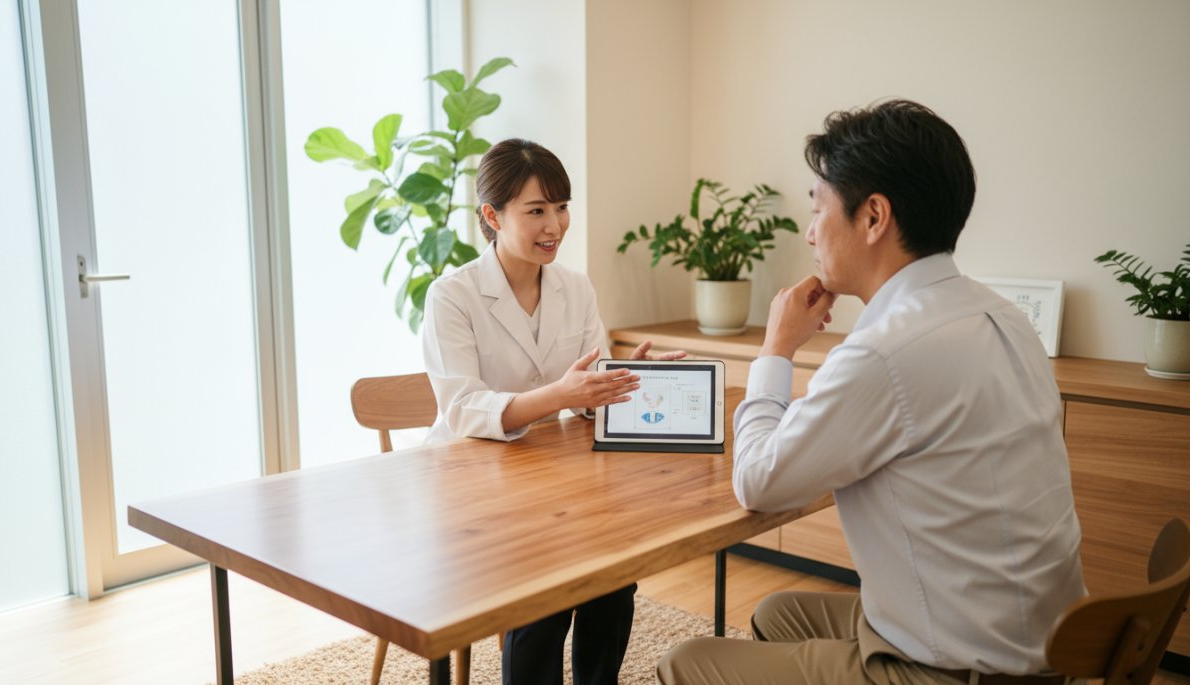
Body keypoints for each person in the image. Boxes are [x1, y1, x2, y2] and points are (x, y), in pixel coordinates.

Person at [657, 100, 1086, 685]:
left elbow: (758, 482)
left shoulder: (884, 351)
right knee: (778, 612)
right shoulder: (1002, 315)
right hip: (1047, 644)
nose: (810, 232)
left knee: (685, 663)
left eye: (818, 208)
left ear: (874, 216)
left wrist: (776, 348)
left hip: (957, 670)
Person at [421, 137, 683, 685]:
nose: (555, 226)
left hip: (547, 478)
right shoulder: (452, 295)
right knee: (545, 593)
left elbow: (585, 396)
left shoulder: (575, 287)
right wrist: (563, 395)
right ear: (492, 216)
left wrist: (617, 380)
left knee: (613, 576)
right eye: (536, 211)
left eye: (561, 207)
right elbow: (463, 408)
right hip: (471, 487)